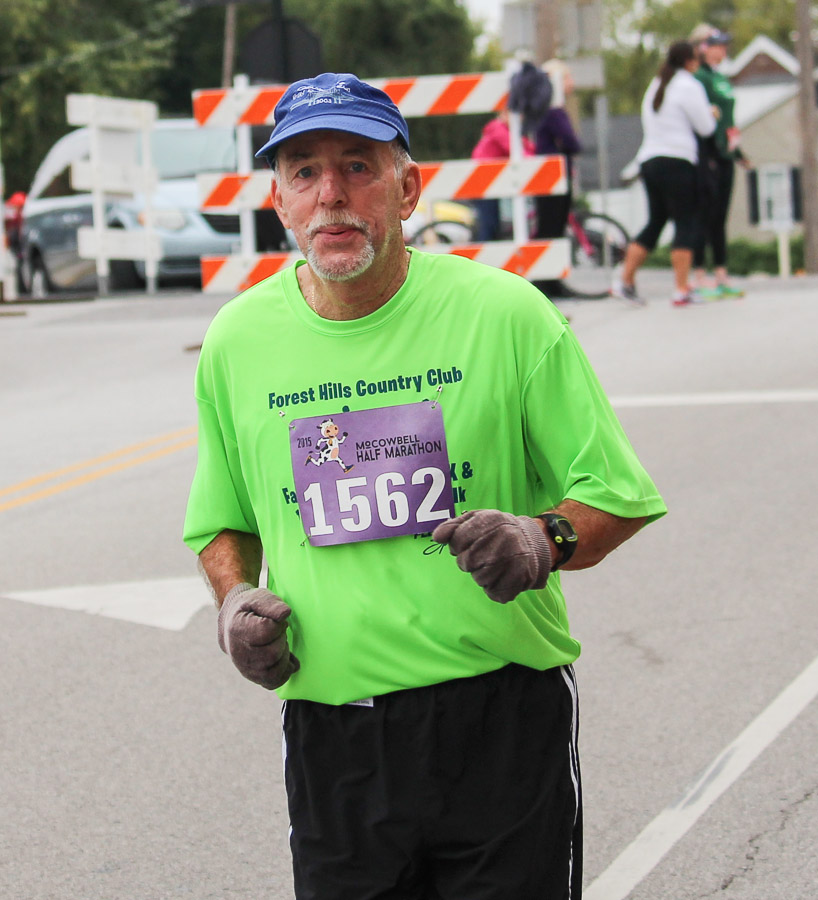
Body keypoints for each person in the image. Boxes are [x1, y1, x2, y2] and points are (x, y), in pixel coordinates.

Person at [184, 71, 667, 900]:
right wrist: (233, 603)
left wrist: (541, 539)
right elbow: (223, 519)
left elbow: (617, 493)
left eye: (357, 166)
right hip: (335, 739)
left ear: (407, 189)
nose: (331, 194)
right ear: (280, 202)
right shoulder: (237, 342)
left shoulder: (506, 315)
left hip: (501, 724)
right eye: (305, 172)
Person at [612, 41, 716, 306]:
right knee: (685, 221)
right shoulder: (689, 85)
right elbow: (705, 128)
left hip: (650, 160)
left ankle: (625, 280)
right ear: (690, 61)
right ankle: (681, 289)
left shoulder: (657, 83)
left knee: (656, 221)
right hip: (677, 160)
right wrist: (712, 113)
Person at [689, 24, 749, 298]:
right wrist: (709, 153)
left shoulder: (719, 77)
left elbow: (727, 121)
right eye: (717, 44)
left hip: (725, 153)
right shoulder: (698, 78)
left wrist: (737, 153)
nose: (723, 49)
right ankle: (700, 275)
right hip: (707, 155)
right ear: (702, 48)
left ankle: (722, 274)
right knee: (704, 215)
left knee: (720, 217)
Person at [532, 59, 583, 298]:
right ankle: (549, 281)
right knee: (553, 227)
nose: (571, 82)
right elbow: (572, 142)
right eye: (567, 77)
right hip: (553, 175)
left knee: (550, 226)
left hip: (548, 174)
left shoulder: (543, 110)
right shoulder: (554, 111)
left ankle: (550, 280)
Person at [470, 105, 534, 241]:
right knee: (489, 226)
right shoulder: (498, 129)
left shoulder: (506, 130)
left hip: (489, 182)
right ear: (504, 114)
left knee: (493, 224)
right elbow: (516, 149)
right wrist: (538, 161)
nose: (521, 118)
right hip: (482, 182)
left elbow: (526, 147)